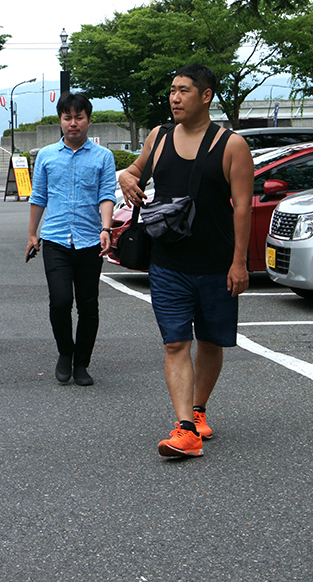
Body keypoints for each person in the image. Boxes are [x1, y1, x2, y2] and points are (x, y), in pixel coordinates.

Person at [119, 64, 254, 458]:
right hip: (168, 262)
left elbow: (243, 208)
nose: (174, 98)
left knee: (211, 342)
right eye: (172, 90)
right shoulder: (159, 137)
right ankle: (185, 429)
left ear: (206, 95)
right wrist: (128, 177)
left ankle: (198, 410)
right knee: (176, 343)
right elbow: (134, 172)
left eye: (183, 91)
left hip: (216, 263)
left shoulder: (231, 145)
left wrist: (239, 263)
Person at [26, 92, 117, 386]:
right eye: (68, 117)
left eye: (79, 117)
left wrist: (106, 228)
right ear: (61, 120)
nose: (73, 123)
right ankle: (65, 353)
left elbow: (105, 196)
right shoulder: (47, 156)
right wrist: (31, 234)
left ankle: (82, 363)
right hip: (54, 239)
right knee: (61, 301)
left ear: (89, 120)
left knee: (88, 305)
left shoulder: (103, 157)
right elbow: (38, 197)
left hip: (90, 239)